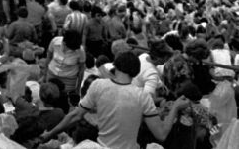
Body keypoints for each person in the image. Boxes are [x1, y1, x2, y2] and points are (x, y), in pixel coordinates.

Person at [39, 51, 188, 149]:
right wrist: (175, 108)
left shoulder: (98, 85)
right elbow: (161, 134)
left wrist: (49, 134)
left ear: (115, 66)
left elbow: (75, 115)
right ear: (135, 73)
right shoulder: (142, 96)